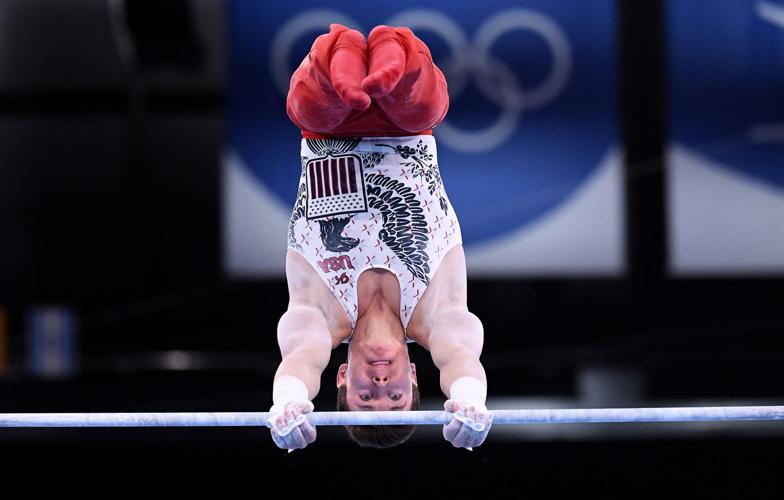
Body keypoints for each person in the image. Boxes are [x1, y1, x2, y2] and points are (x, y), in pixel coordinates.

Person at [268, 23, 493, 451]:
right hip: (410, 128)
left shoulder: (319, 319)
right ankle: (390, 63)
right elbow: (461, 359)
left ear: (339, 379)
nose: (380, 383)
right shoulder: (437, 316)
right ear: (412, 378)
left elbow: (299, 361)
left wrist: (288, 404)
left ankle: (346, 62)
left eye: (365, 398)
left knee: (315, 100)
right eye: (395, 397)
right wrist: (468, 401)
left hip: (325, 130)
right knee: (418, 99)